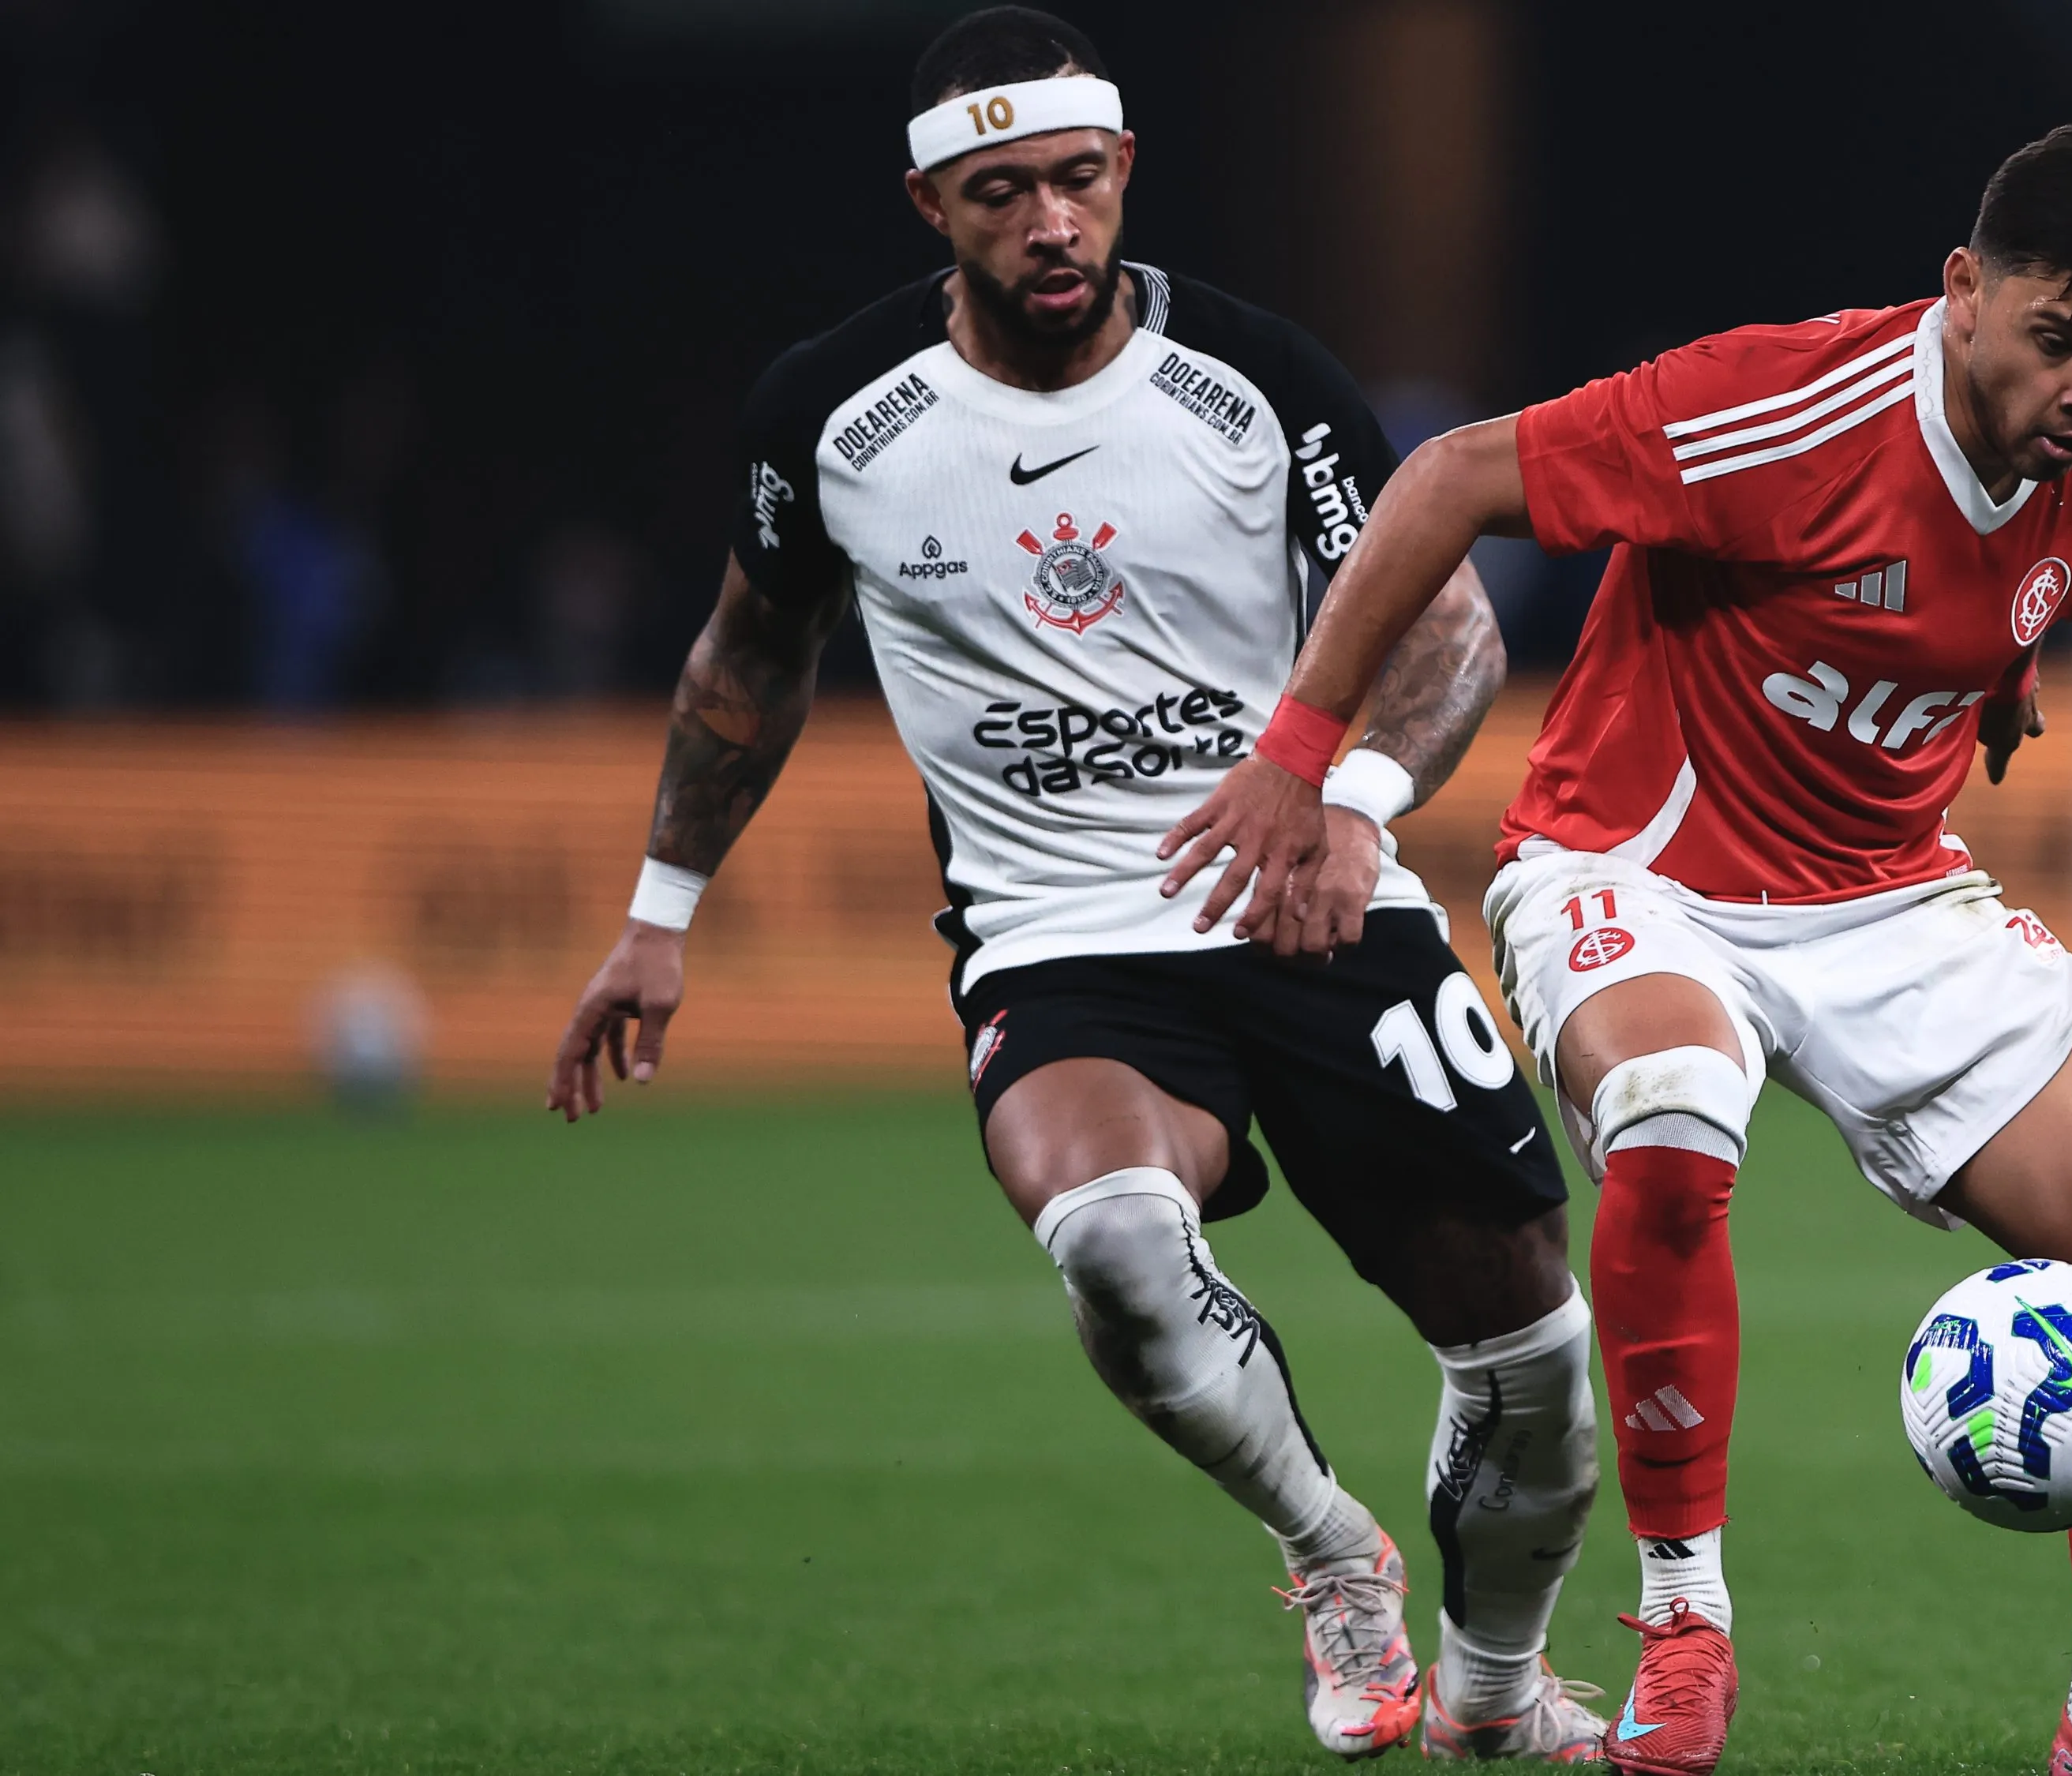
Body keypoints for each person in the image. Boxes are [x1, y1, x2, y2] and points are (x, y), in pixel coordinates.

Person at [542, 9, 1606, 1761]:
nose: (1049, 223)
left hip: (1317, 900)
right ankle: (1329, 1553)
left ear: (1123, 175)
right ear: (929, 204)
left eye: (1076, 180)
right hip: (1061, 942)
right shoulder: (832, 415)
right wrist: (659, 912)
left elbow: (1452, 628)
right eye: (1001, 191)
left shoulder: (1255, 382)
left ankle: (1495, 1691)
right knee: (1113, 1239)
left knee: (1533, 1365)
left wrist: (1347, 805)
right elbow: (749, 656)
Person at [1164, 122, 2072, 1775]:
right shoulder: (1778, 409)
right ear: (1964, 291)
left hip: (1885, 895)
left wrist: (2002, 689)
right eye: (2055, 341)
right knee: (1679, 1115)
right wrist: (1297, 755)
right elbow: (1450, 477)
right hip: (1636, 868)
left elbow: (1986, 608)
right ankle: (1684, 1623)